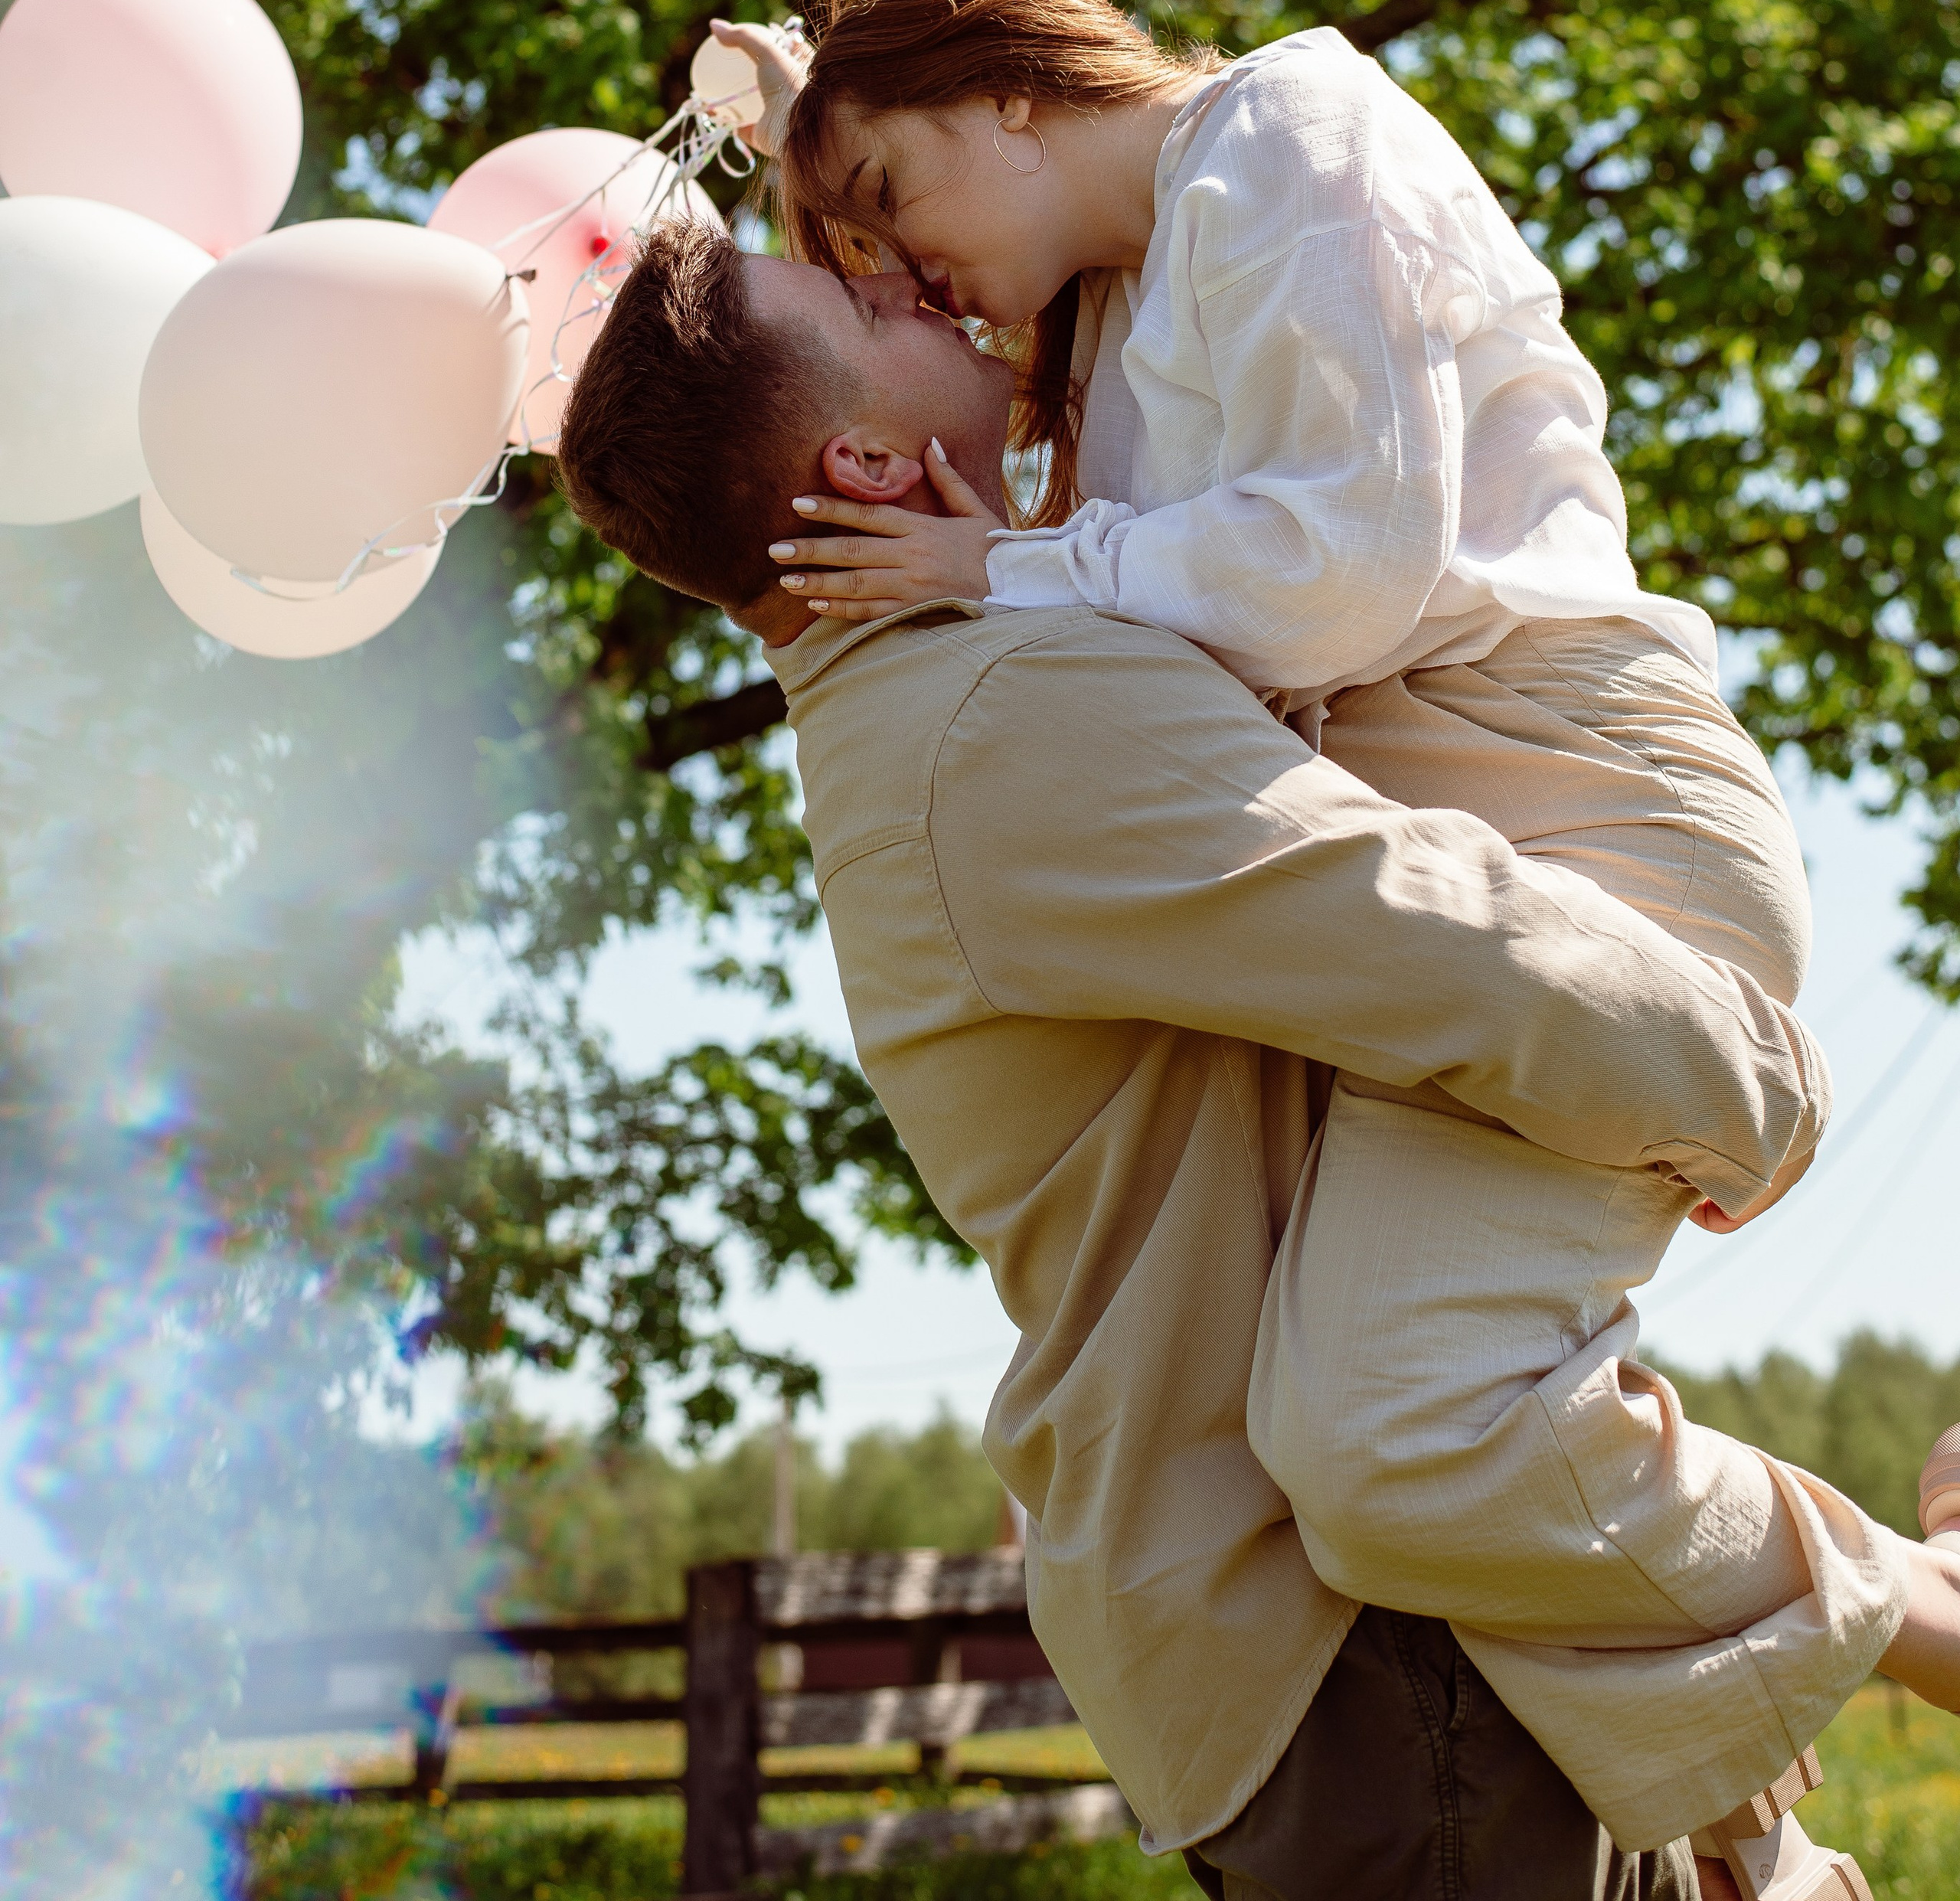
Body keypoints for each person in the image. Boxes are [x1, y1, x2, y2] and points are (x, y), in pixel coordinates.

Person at [553, 219, 1960, 1900]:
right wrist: (1754, 1087)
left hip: (1353, 1617)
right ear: (857, 457)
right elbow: (1440, 933)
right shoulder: (990, 720)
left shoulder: (951, 678)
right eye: (860, 296)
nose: (917, 281)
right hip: (1356, 1647)